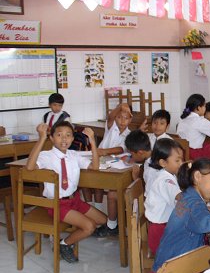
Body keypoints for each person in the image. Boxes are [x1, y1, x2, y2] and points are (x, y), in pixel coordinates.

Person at [25, 121, 106, 263]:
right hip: (56, 203)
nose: (64, 139)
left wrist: (92, 140)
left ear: (73, 139)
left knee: (103, 220)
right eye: (59, 135)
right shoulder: (47, 155)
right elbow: (30, 167)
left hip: (74, 200)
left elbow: (95, 166)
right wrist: (41, 138)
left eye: (68, 135)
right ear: (52, 138)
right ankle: (64, 244)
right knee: (89, 226)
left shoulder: (74, 155)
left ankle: (76, 233)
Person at [88, 103, 132, 237]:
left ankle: (107, 220)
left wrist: (103, 151)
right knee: (94, 186)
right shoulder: (111, 127)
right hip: (100, 161)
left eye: (126, 118)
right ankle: (98, 216)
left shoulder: (129, 135)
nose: (122, 121)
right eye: (119, 117)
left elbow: (120, 149)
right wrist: (121, 106)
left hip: (114, 166)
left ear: (130, 120)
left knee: (103, 186)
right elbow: (111, 116)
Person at [145, 138, 184, 255]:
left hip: (164, 227)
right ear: (163, 163)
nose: (181, 163)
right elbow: (181, 197)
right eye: (177, 161)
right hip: (161, 233)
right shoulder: (165, 180)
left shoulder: (167, 175)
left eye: (181, 159)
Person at [177, 94, 210, 160]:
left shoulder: (183, 119)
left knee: (208, 144)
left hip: (180, 152)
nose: (205, 108)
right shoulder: (200, 121)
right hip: (192, 154)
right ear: (199, 107)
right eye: (204, 106)